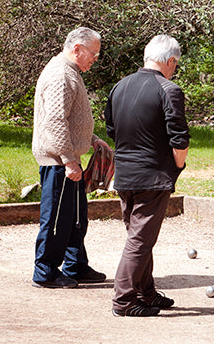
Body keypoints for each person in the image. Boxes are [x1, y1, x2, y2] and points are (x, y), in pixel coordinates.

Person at [105, 34, 190, 317]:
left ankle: (147, 293)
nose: (174, 69)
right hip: (152, 177)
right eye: (175, 64)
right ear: (170, 61)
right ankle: (124, 301)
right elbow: (179, 139)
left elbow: (112, 131)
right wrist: (177, 166)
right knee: (140, 240)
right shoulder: (169, 89)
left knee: (139, 236)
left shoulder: (119, 86)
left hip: (125, 174)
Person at [31, 27, 111, 289]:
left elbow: (72, 117)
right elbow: (55, 121)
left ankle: (75, 265)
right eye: (93, 54)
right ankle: (45, 273)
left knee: (76, 217)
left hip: (67, 159)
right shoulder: (61, 74)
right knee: (56, 219)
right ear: (77, 49)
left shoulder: (70, 72)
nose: (95, 59)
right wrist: (68, 160)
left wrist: (92, 139)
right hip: (58, 162)